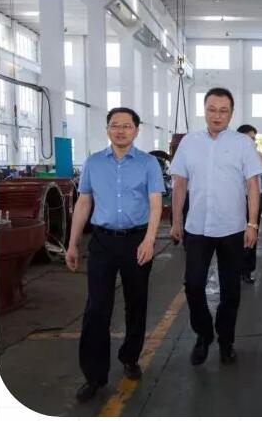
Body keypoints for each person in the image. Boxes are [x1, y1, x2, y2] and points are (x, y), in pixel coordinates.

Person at [65, 107, 164, 402]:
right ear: (107, 129)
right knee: (97, 308)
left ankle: (130, 357)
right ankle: (94, 376)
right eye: (115, 125)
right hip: (102, 243)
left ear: (136, 130)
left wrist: (149, 240)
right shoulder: (94, 163)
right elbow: (84, 203)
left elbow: (155, 203)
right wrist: (72, 243)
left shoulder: (148, 163)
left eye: (126, 125)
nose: (120, 130)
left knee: (136, 303)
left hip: (137, 240)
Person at [170, 88, 262, 366]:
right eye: (212, 109)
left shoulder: (242, 144)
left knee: (230, 289)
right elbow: (180, 184)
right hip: (197, 228)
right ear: (205, 110)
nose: (217, 115)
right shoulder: (189, 143)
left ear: (231, 114)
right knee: (193, 284)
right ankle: (203, 334)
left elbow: (253, 186)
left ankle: (226, 340)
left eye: (223, 111)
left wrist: (252, 224)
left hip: (233, 228)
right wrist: (176, 221)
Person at [237, 124, 262, 284]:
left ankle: (247, 270)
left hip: (254, 200)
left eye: (254, 139)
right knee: (236, 236)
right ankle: (235, 268)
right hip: (238, 200)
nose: (253, 141)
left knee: (251, 234)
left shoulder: (256, 155)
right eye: (250, 138)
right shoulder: (234, 154)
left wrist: (256, 152)